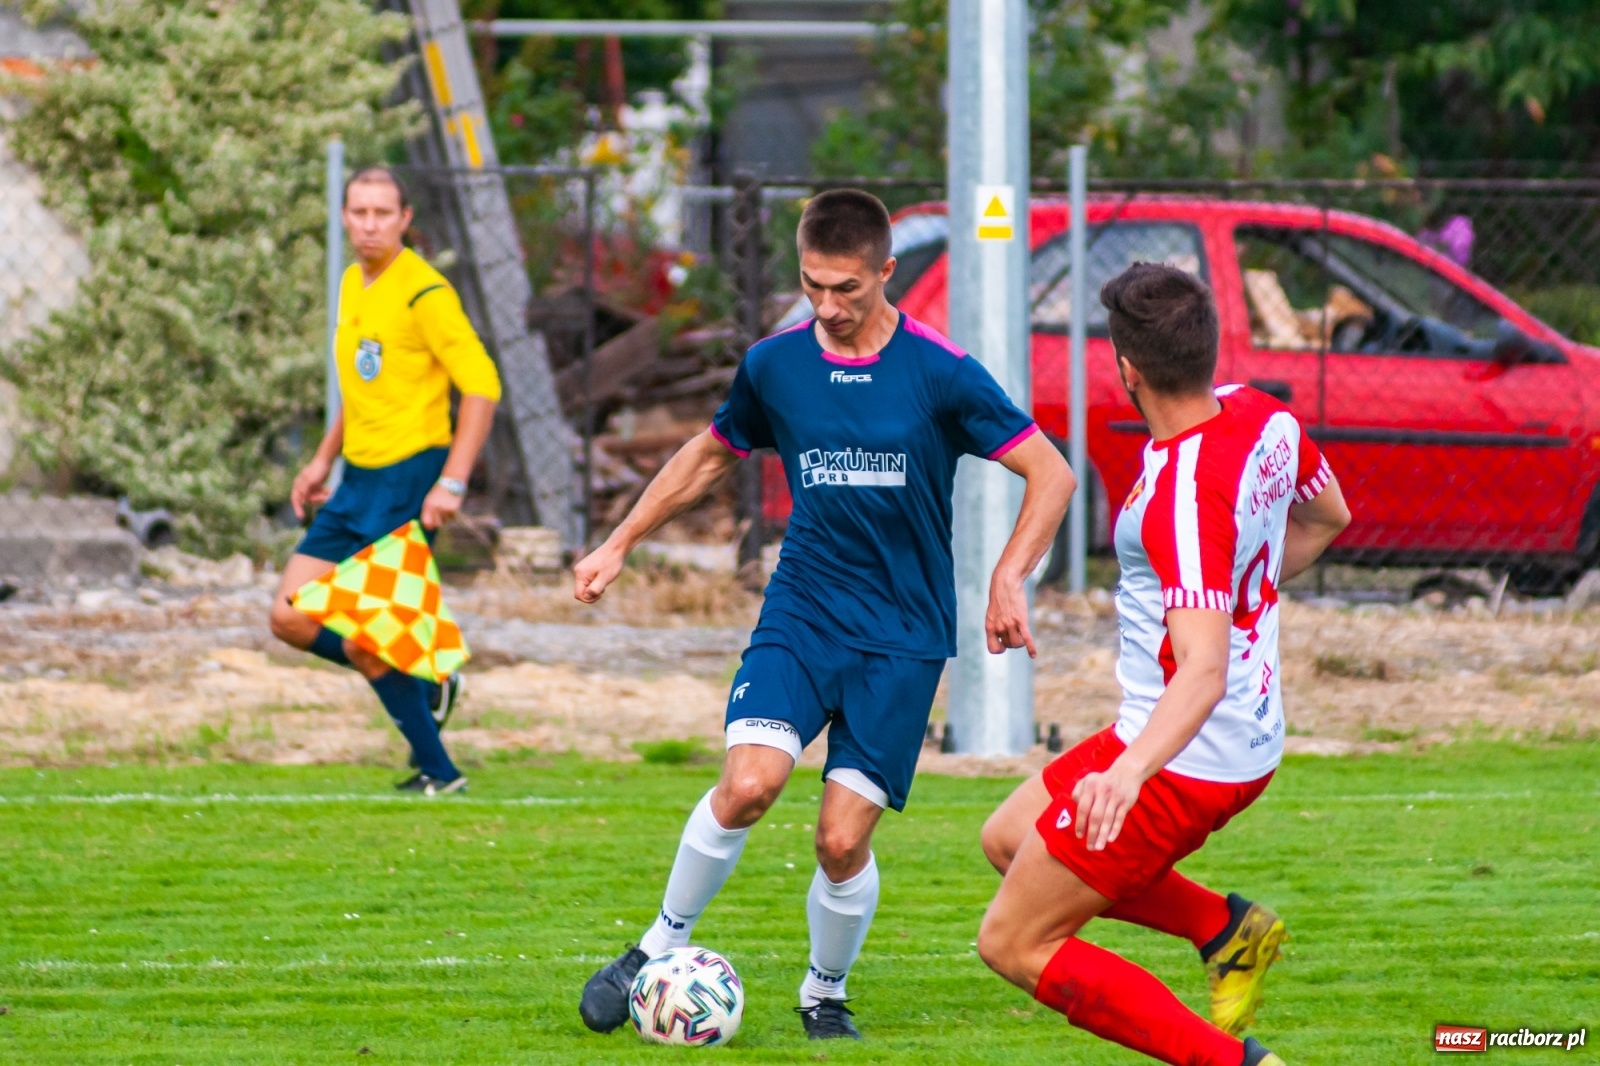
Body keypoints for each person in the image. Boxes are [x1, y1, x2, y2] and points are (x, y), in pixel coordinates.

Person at [573, 189, 1075, 1041]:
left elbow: (1052, 472)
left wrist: (1007, 578)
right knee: (750, 784)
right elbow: (708, 456)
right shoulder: (776, 365)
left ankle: (824, 991)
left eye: (847, 288)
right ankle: (655, 947)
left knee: (841, 843)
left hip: (902, 638)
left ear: (887, 272)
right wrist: (619, 542)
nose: (829, 308)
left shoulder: (939, 370)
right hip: (802, 614)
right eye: (813, 287)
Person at [975, 263, 1351, 1066]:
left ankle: (1236, 1064)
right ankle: (1226, 930)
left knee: (1013, 941)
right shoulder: (1265, 418)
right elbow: (1328, 515)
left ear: (1127, 370)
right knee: (1009, 839)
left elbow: (1204, 669)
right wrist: (1244, 592)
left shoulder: (1183, 492)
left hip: (1187, 751)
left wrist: (1129, 772)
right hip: (1230, 734)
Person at [267, 166, 501, 796]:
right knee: (289, 617)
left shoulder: (426, 294)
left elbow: (482, 387)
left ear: (404, 221)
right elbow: (362, 386)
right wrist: (321, 460)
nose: (369, 224)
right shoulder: (352, 283)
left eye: (382, 213)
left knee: (371, 643)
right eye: (359, 212)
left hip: (408, 479)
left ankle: (440, 770)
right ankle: (428, 682)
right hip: (356, 481)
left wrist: (451, 483)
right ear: (344, 217)